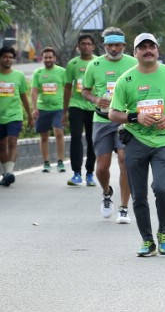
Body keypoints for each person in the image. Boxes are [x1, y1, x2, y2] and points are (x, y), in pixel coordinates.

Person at [108, 34, 165, 257]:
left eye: (151, 46)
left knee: (161, 188)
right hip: (136, 142)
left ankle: (163, 230)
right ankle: (147, 240)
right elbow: (113, 113)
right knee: (139, 194)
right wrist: (135, 118)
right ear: (135, 53)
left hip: (164, 142)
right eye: (142, 47)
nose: (147, 50)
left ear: (157, 50)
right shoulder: (126, 79)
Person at [81, 27, 136, 222]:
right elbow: (85, 91)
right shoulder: (94, 65)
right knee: (102, 167)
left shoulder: (133, 63)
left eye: (118, 45)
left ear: (124, 46)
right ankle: (106, 193)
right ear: (104, 46)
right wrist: (96, 100)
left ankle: (123, 207)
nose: (114, 49)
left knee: (124, 161)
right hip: (102, 120)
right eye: (110, 45)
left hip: (125, 121)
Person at [63, 34, 98, 186]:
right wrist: (64, 111)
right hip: (76, 105)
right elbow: (67, 87)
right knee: (76, 138)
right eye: (83, 44)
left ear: (93, 46)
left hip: (94, 106)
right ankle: (76, 173)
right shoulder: (73, 64)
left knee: (92, 140)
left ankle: (90, 173)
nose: (86, 46)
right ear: (78, 46)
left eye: (89, 44)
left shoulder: (98, 62)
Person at [31, 47, 68, 173]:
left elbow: (68, 89)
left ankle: (60, 162)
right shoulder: (38, 72)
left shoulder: (62, 71)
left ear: (55, 58)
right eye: (46, 57)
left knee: (59, 133)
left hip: (58, 108)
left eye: (50, 57)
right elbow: (34, 91)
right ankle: (46, 162)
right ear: (42, 59)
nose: (48, 59)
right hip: (42, 109)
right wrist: (34, 108)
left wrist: (66, 109)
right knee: (44, 136)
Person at [0, 45, 33, 186]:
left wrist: (30, 115)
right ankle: (6, 173)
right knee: (1, 145)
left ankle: (8, 172)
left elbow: (24, 97)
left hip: (14, 114)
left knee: (13, 141)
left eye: (10, 57)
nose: (8, 59)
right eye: (5, 57)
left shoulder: (18, 75)